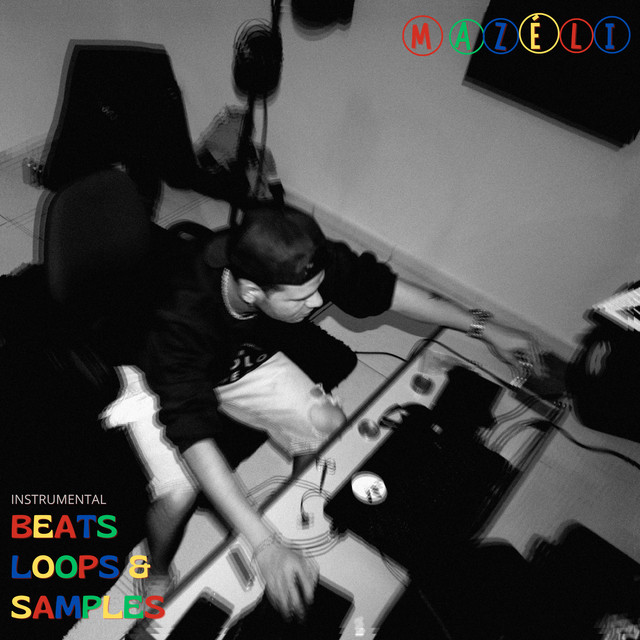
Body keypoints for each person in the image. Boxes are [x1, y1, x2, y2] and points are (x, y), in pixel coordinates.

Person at [105, 202, 541, 620]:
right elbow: (194, 437)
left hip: (235, 358)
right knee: (179, 493)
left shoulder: (298, 263)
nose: (317, 304)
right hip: (155, 372)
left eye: (317, 290)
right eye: (302, 299)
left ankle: (299, 513)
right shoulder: (180, 317)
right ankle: (155, 569)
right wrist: (262, 544)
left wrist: (484, 327)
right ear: (252, 291)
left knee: (329, 427)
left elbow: (385, 288)